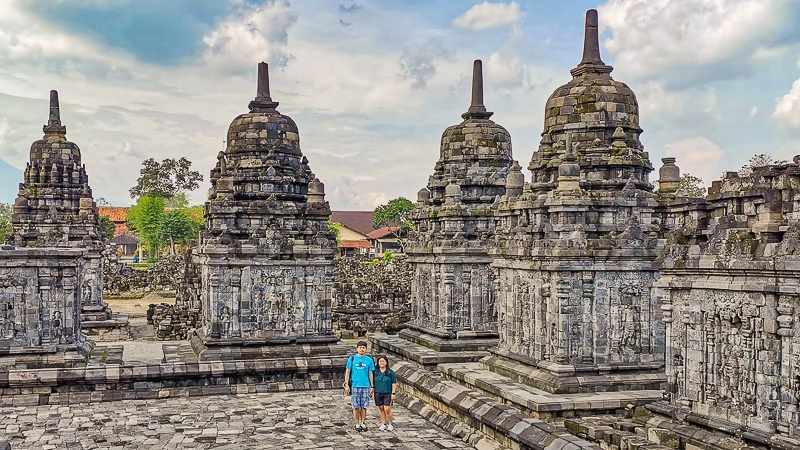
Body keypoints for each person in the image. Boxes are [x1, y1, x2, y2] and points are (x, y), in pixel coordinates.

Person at [344, 341, 375, 432]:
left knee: (364, 406)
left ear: (366, 349)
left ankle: (363, 422)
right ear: (357, 349)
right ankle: (357, 423)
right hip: (355, 385)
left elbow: (370, 373)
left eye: (363, 347)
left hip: (365, 385)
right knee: (356, 406)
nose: (362, 349)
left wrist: (372, 386)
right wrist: (346, 385)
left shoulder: (369, 360)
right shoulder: (352, 359)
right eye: (360, 347)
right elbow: (348, 372)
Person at [373, 355, 397, 431]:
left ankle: (390, 423)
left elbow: (394, 383)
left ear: (386, 362)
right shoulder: (375, 371)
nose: (382, 363)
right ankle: (383, 423)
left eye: (383, 361)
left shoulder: (390, 372)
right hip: (378, 392)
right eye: (380, 361)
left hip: (387, 392)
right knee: (381, 408)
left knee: (387, 409)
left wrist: (393, 393)